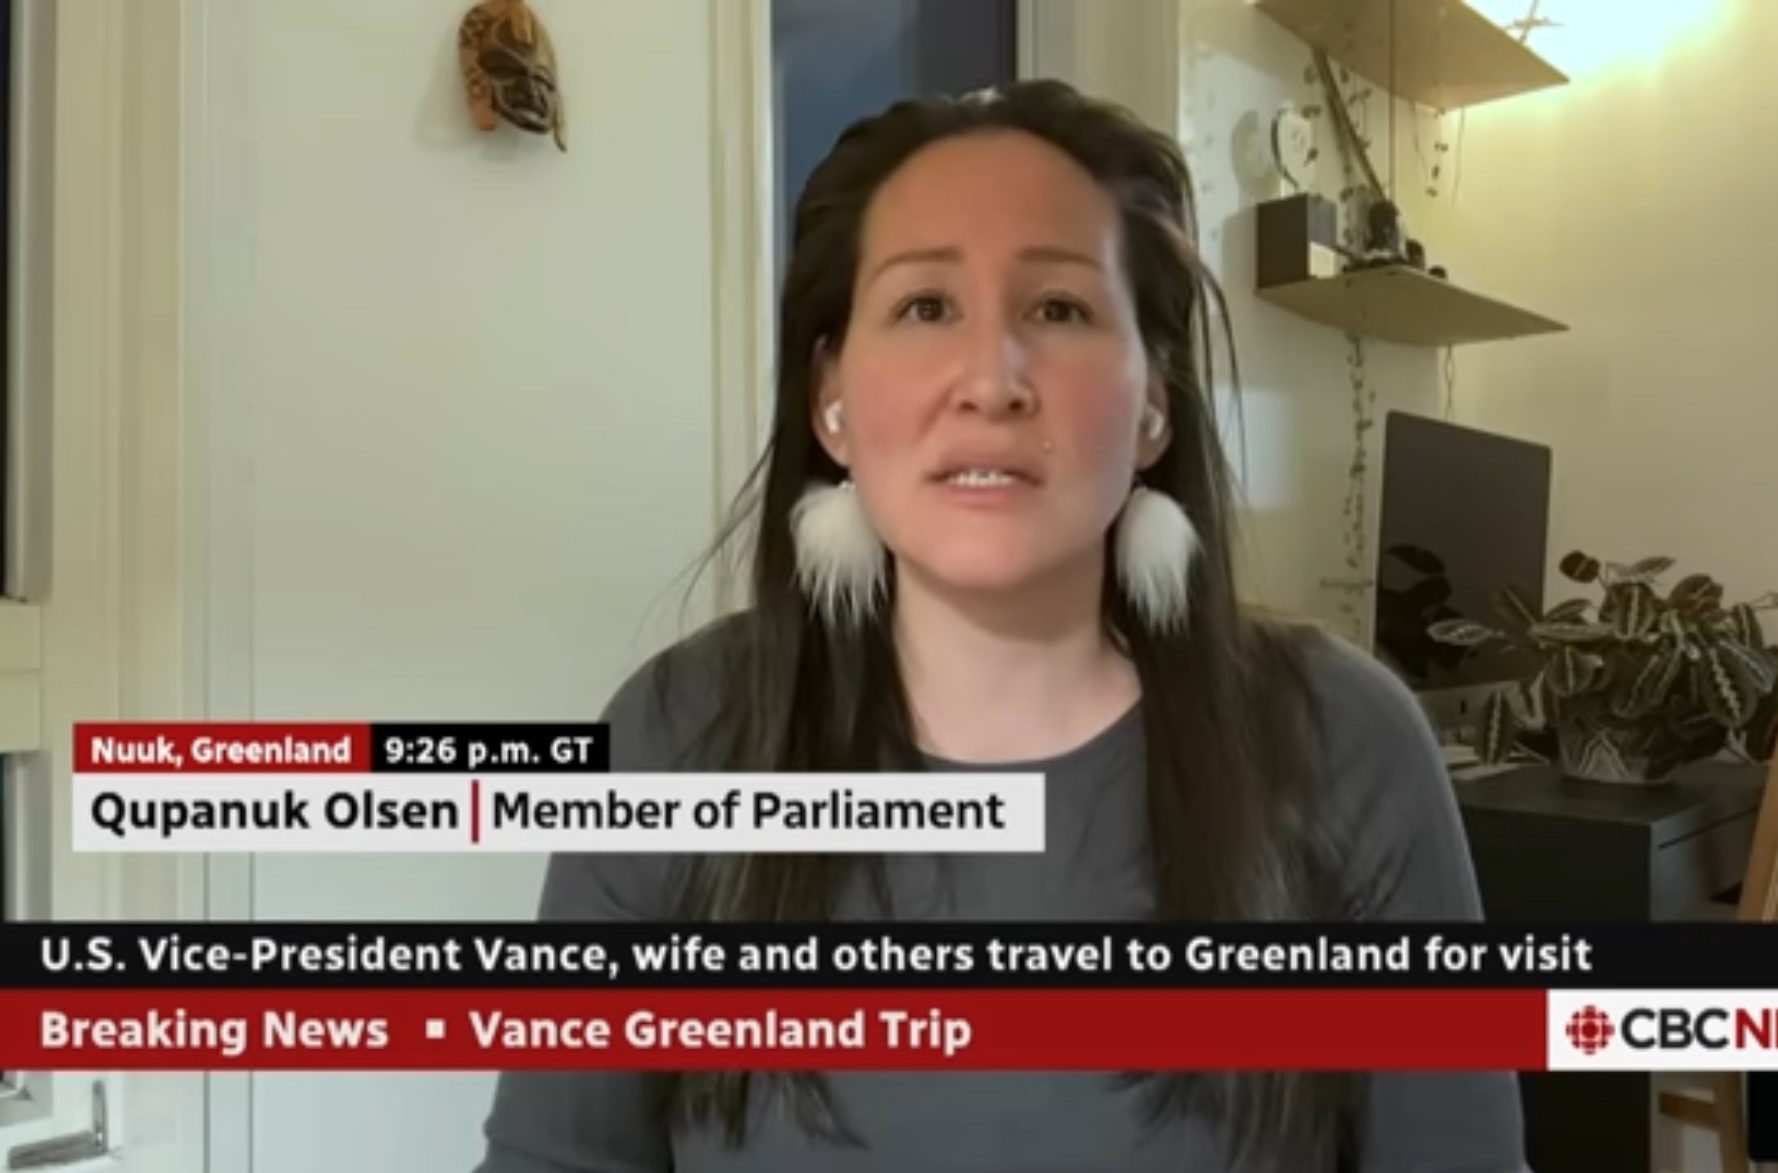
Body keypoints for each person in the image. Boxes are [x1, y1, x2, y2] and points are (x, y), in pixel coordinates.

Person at [473, 79, 1529, 1173]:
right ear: (832, 397)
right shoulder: (673, 735)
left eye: (1059, 309)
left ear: (1154, 402)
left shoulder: (1343, 739)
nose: (991, 380)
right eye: (926, 307)